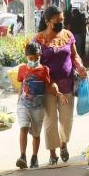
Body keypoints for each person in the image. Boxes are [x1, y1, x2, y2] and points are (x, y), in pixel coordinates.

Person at [35, 4, 86, 165]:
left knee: (66, 120)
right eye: (57, 21)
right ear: (47, 21)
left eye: (62, 20)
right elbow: (34, 65)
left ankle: (64, 144)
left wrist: (80, 66)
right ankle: (53, 153)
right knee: (50, 121)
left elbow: (75, 56)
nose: (60, 23)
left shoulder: (68, 35)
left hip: (67, 85)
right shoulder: (38, 40)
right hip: (48, 87)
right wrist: (47, 82)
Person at [15, 41, 60, 169]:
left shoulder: (45, 70)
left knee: (36, 134)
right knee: (23, 127)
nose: (33, 60)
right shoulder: (22, 69)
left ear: (40, 56)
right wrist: (18, 101)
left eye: (36, 58)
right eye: (30, 58)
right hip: (24, 105)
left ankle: (34, 157)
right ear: (26, 57)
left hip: (38, 108)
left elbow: (47, 87)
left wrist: (57, 93)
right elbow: (21, 87)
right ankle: (22, 156)